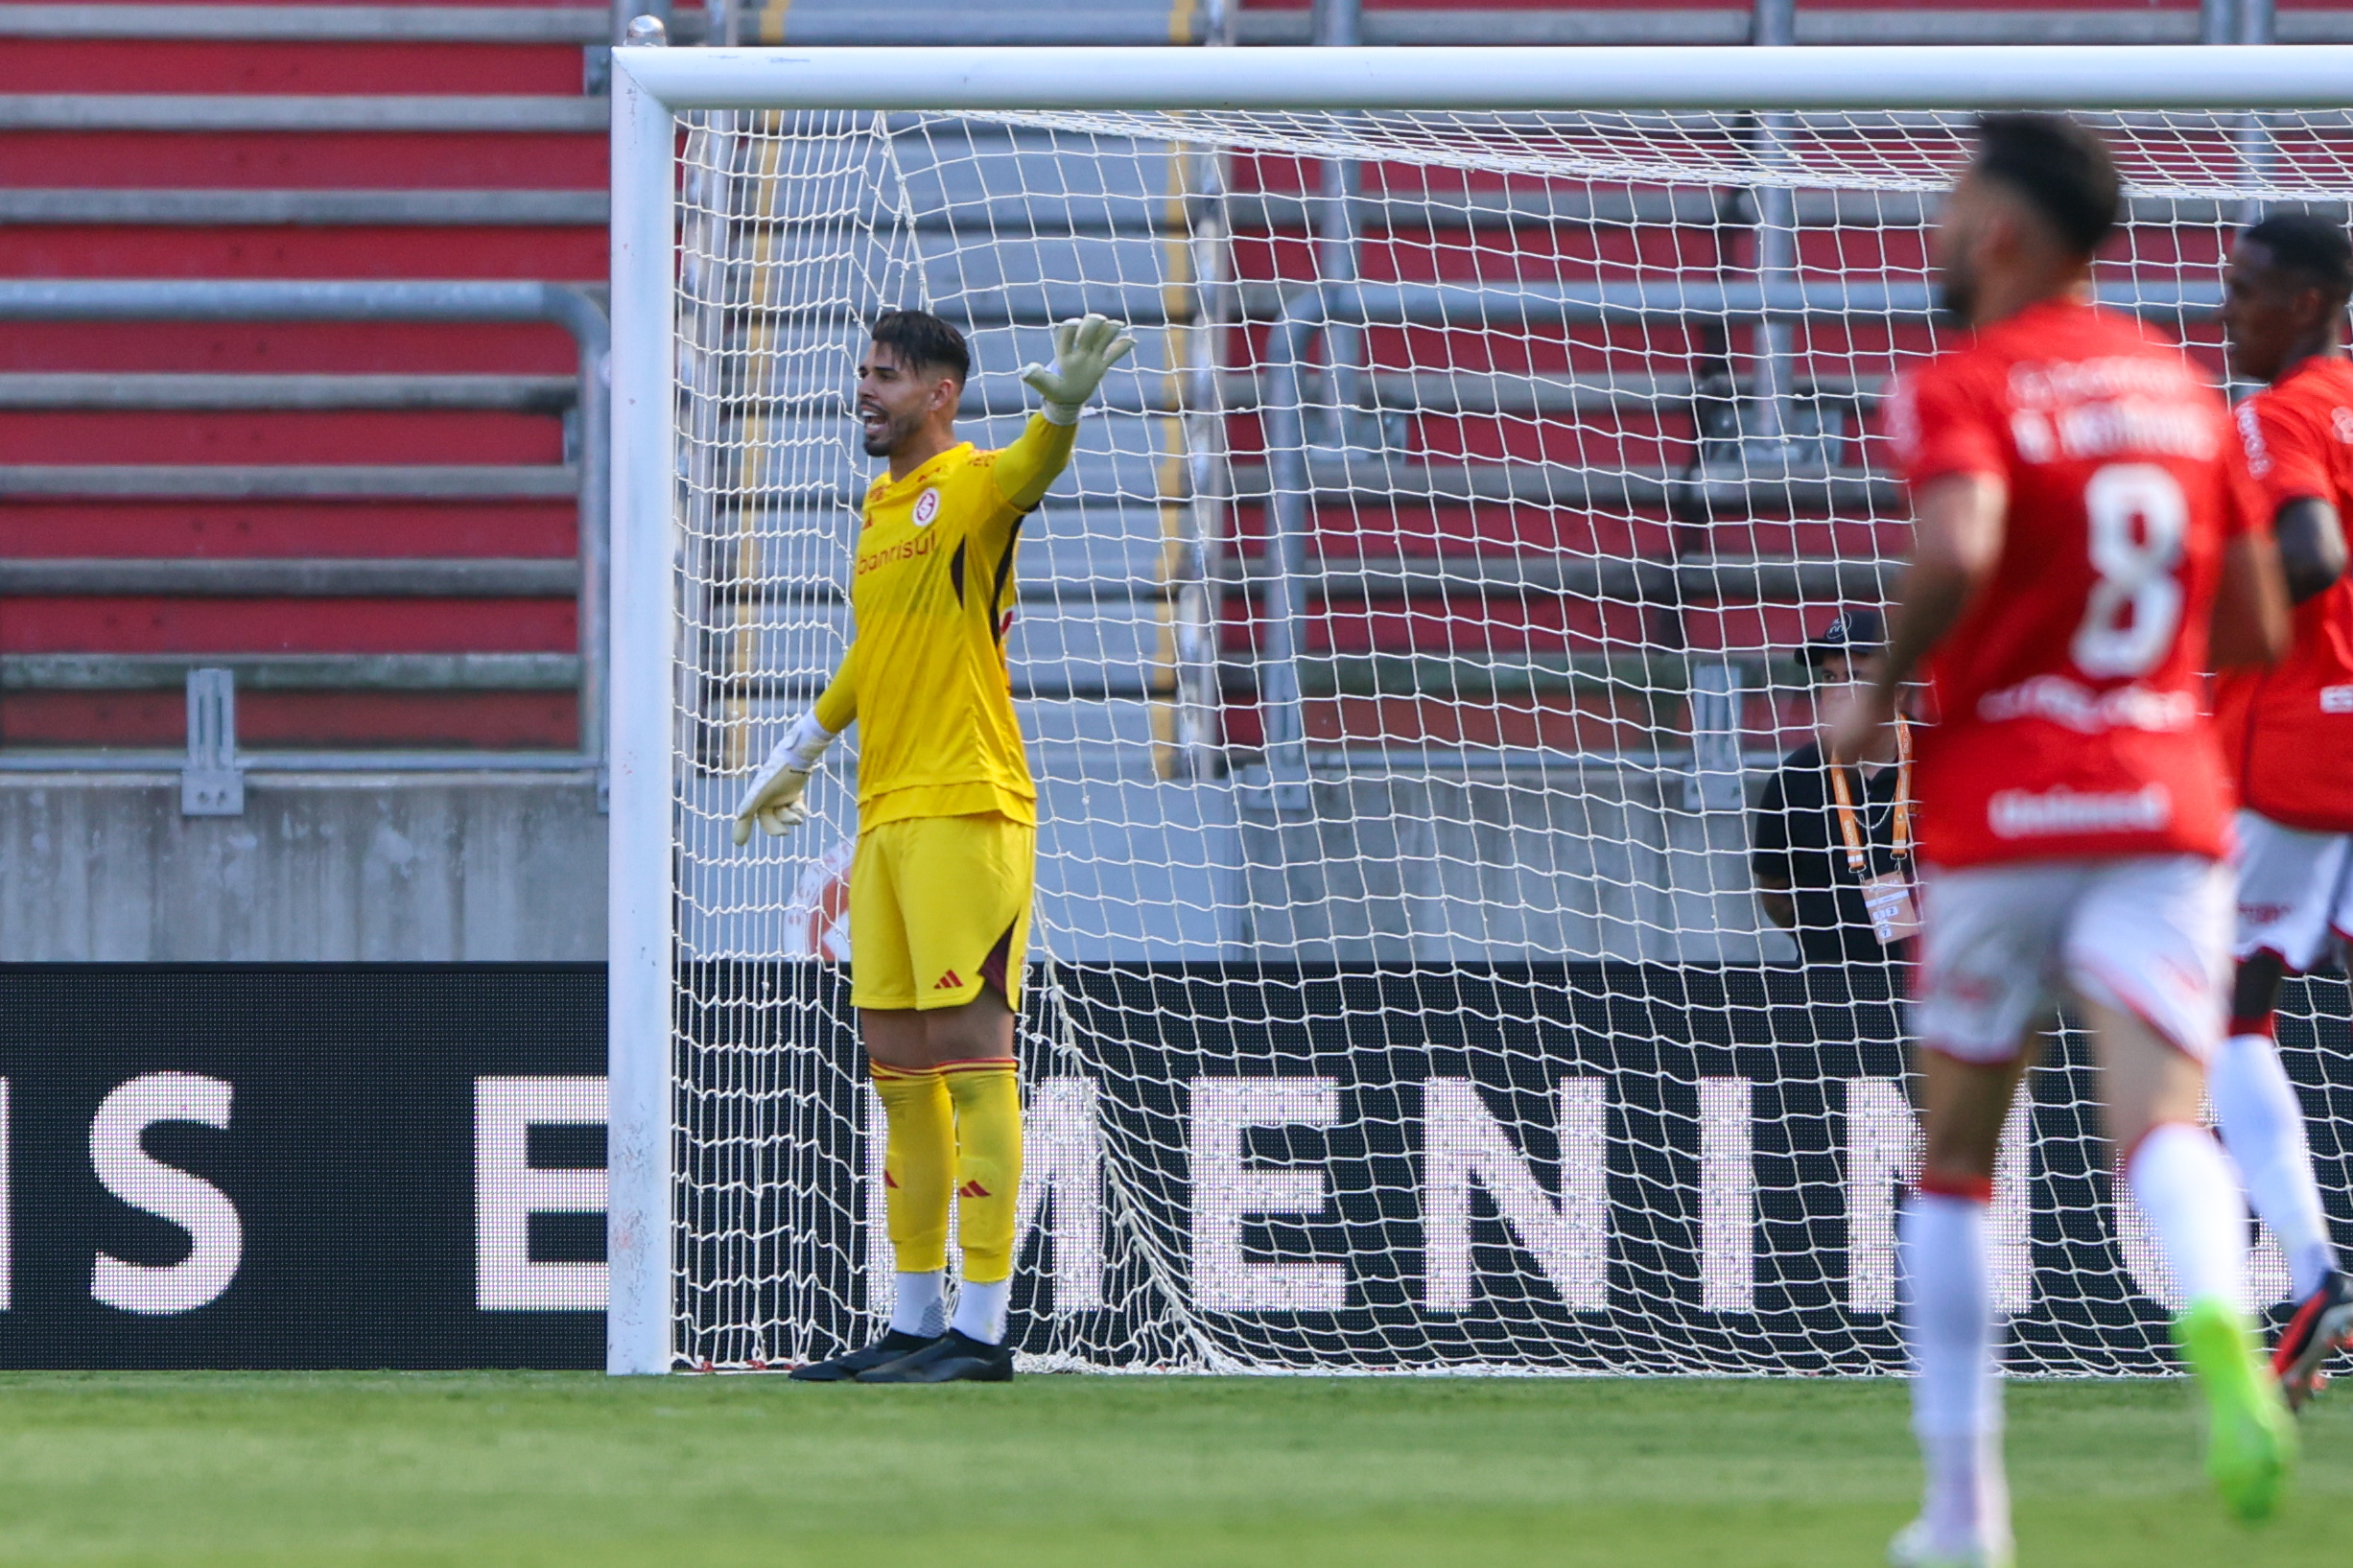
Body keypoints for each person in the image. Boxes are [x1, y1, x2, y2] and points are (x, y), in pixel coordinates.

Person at [1828, 113, 2294, 1563]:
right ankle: (2217, 1309)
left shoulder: (1963, 384)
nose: (1938, 225)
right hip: (2162, 802)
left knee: (1957, 1161)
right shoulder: (2179, 391)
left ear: (2009, 231)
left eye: (1954, 199)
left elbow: (1960, 543)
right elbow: (2256, 625)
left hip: (2003, 804)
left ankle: (1965, 1517)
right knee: (2161, 1118)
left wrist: (1880, 691)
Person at [731, 307, 1133, 1383]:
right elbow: (876, 650)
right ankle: (912, 1324)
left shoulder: (971, 485)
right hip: (886, 818)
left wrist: (1063, 411)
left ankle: (984, 1330)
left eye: (887, 377)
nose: (865, 391)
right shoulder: (879, 507)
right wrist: (800, 748)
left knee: (973, 1068)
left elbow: (1033, 470)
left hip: (968, 810)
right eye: (863, 373)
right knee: (899, 1082)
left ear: (939, 395)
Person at [2212, 211, 2353, 1408]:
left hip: (2304, 749)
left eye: (2246, 289)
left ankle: (2312, 1277)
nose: (2225, 308)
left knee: (2222, 1009)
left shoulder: (2280, 415)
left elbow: (2305, 552)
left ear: (2305, 304)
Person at [1751, 608, 1917, 972]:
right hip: (1828, 987)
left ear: (1898, 688)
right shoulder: (1794, 778)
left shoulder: (1942, 762)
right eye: (1830, 677)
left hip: (1931, 985)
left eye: (1855, 677)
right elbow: (1775, 891)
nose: (1839, 693)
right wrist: (1826, 934)